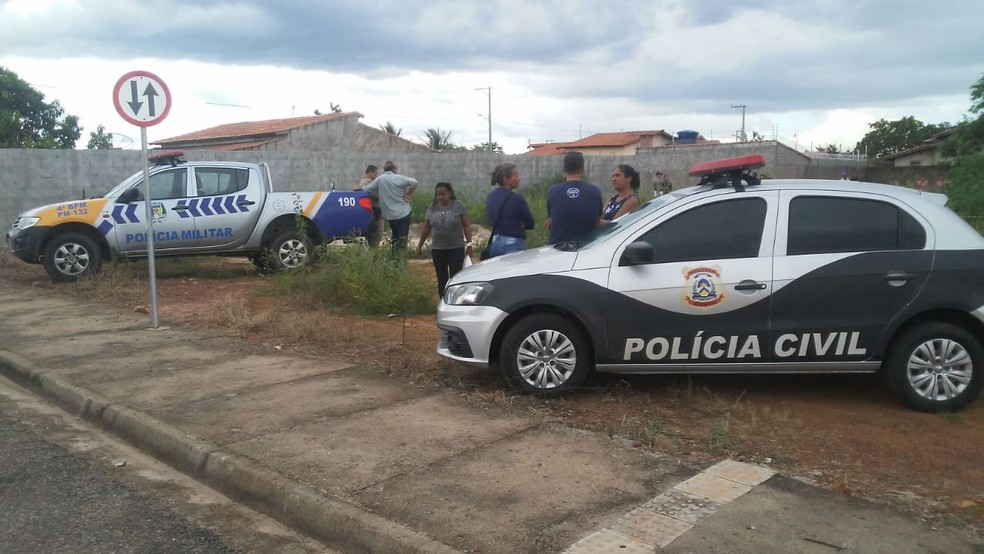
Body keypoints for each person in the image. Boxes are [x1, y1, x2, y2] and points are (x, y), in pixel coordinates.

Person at [416, 182, 473, 297]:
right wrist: (419, 246)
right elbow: (426, 228)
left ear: (450, 194)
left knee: (455, 277)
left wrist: (469, 244)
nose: (440, 197)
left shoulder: (458, 206)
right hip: (438, 249)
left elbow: (466, 225)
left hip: (456, 248)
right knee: (442, 279)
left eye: (443, 194)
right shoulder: (432, 208)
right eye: (438, 194)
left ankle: (455, 300)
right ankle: (443, 301)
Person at [545, 151, 602, 245]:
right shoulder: (595, 190)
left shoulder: (553, 191)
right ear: (583, 169)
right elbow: (598, 220)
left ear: (564, 169)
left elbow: (553, 216)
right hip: (588, 248)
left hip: (558, 249)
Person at [363, 161, 418, 253]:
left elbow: (367, 189)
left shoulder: (380, 179)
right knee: (402, 238)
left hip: (391, 215)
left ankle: (395, 259)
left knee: (395, 237)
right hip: (404, 213)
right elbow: (415, 182)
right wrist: (408, 194)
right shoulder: (400, 178)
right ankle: (400, 260)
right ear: (394, 169)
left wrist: (359, 187)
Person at [485, 162, 535, 257]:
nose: (519, 179)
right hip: (513, 243)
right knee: (518, 271)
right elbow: (530, 223)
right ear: (506, 179)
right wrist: (521, 224)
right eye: (516, 176)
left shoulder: (490, 196)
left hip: (495, 242)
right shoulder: (516, 198)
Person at [355, 164, 382, 248]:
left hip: (369, 212)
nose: (376, 176)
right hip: (374, 211)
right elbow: (374, 195)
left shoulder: (362, 182)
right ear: (370, 172)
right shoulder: (368, 182)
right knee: (375, 236)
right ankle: (374, 256)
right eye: (375, 173)